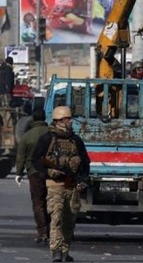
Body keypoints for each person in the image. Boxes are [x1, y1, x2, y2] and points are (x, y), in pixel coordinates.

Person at [32, 106, 90, 262]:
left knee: (69, 220)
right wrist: (49, 172)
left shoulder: (76, 140)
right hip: (54, 185)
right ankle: (56, 250)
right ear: (58, 121)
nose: (69, 122)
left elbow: (85, 163)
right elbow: (36, 160)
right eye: (66, 119)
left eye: (69, 119)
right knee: (56, 218)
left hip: (71, 185)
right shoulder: (47, 139)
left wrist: (83, 180)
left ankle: (65, 250)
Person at [15, 107, 50, 244]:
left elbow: (21, 156)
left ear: (34, 119)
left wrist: (19, 173)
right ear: (44, 118)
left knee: (38, 203)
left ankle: (42, 232)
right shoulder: (51, 133)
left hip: (34, 172)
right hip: (52, 172)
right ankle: (54, 231)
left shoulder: (27, 136)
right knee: (52, 202)